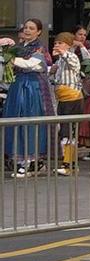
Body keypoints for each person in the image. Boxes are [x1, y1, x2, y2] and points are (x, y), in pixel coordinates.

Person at [3, 17, 52, 176]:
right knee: (15, 119)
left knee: (30, 120)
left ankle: (31, 160)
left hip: (32, 86)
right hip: (17, 86)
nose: (27, 30)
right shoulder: (18, 48)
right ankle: (19, 159)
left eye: (31, 28)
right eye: (26, 27)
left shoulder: (39, 48)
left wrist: (11, 59)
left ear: (39, 32)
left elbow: (31, 64)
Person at [49, 32, 85, 175]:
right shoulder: (59, 62)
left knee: (69, 132)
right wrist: (52, 72)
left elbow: (73, 63)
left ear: (68, 45)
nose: (57, 45)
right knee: (64, 131)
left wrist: (63, 53)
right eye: (56, 43)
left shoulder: (72, 56)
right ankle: (69, 162)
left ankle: (68, 164)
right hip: (62, 99)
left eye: (60, 43)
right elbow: (56, 80)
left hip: (73, 98)